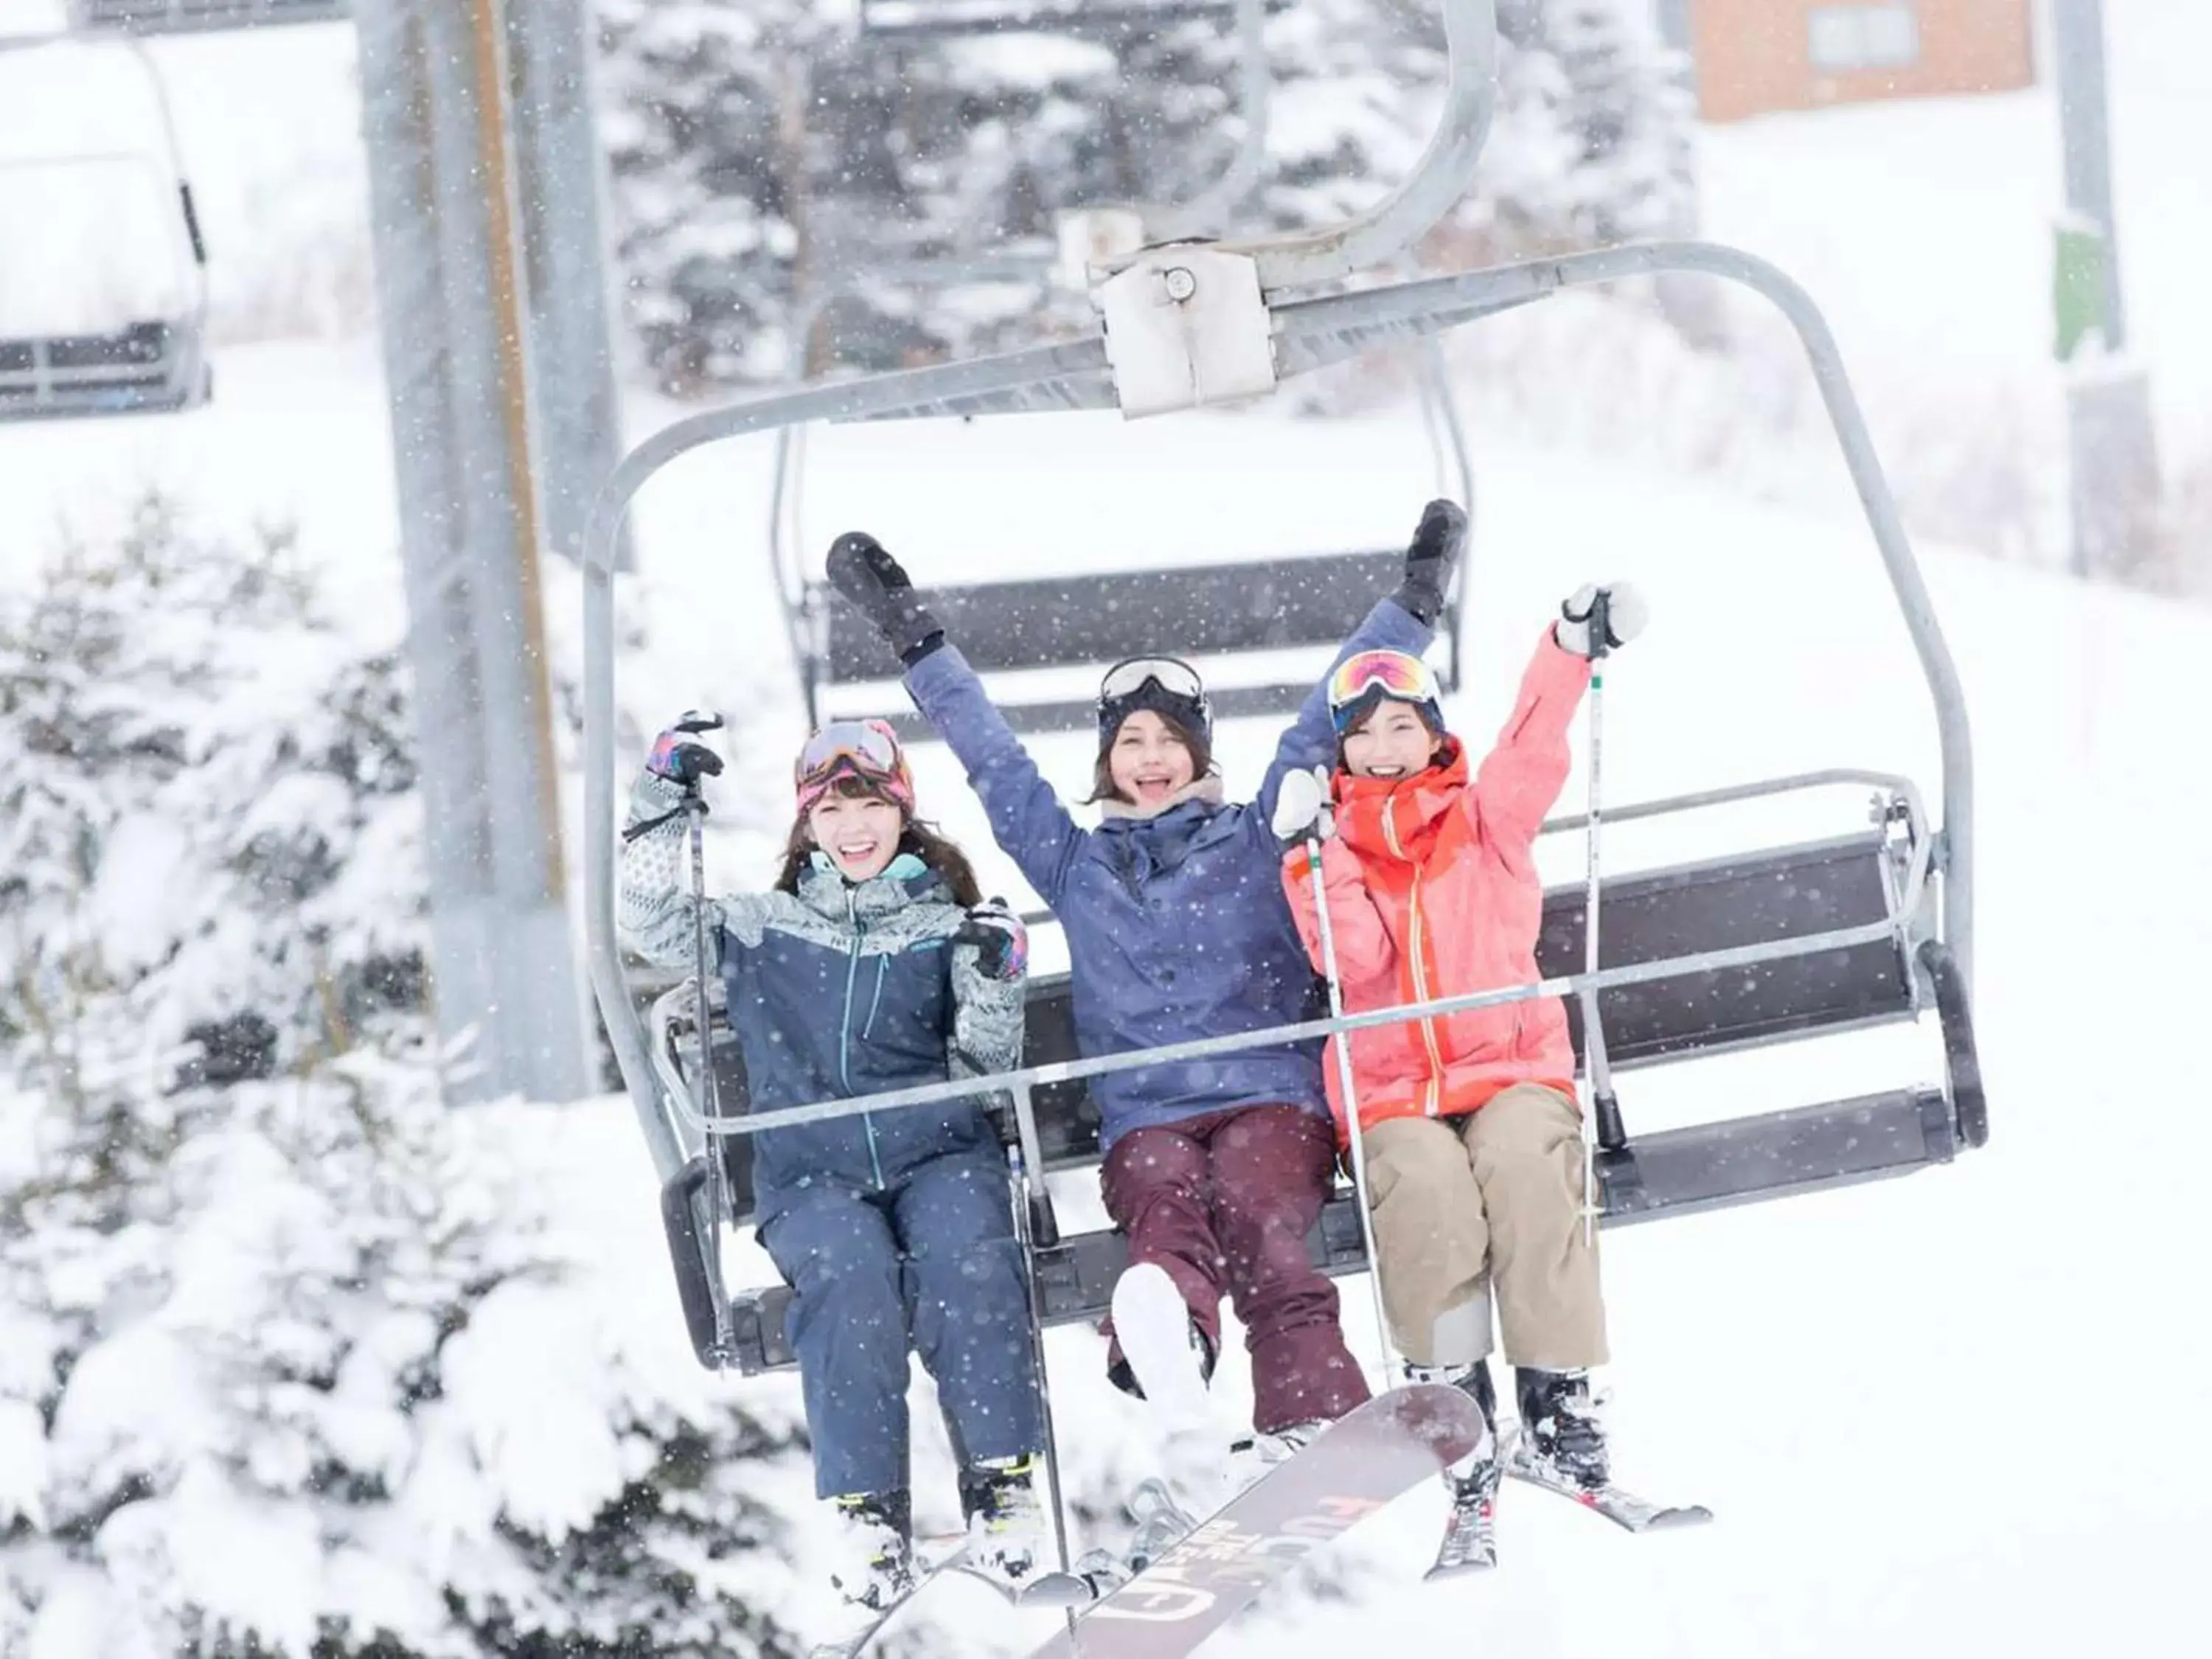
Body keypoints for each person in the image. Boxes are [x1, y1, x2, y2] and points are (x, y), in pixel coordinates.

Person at [822, 501, 1467, 1488]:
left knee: (1264, 1216)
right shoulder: (1074, 863)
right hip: (1146, 1119)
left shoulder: (1259, 836)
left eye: (1171, 739)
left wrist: (1412, 608)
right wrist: (917, 638)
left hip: (1268, 1100)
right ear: (1108, 762)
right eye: (1132, 742)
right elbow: (995, 760)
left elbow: (1319, 720)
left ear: (1201, 755)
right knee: (1165, 1216)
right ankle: (1178, 1384)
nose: (1152, 757)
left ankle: (1307, 1413)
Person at [617, 714, 1046, 1630]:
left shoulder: (943, 926)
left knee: (968, 1258)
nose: (854, 827)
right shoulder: (762, 928)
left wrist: (994, 978)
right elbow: (650, 925)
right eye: (834, 809)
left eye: (871, 807)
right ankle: (868, 1517)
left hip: (940, 1153)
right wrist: (661, 805)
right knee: (850, 1282)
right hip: (813, 1177)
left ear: (903, 815)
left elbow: (985, 1072)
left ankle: (1002, 1488)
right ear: (808, 824)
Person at [1271, 584, 1650, 1519]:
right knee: (1426, 1190)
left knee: (1526, 1162)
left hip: (1509, 1066)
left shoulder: (1484, 820)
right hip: (1395, 1089)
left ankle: (1559, 1404)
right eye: (1365, 735)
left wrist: (1568, 646)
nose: (1386, 748)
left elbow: (1535, 741)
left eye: (1403, 726)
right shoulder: (1332, 850)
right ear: (1343, 752)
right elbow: (1352, 958)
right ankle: (1458, 1410)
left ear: (1432, 734)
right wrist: (1310, 857)